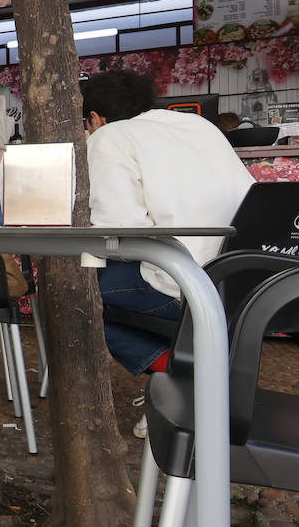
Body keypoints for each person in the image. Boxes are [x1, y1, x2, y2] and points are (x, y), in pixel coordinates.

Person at [81, 69, 254, 375]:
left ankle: (182, 376)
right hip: (247, 279)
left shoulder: (109, 136)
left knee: (76, 301)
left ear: (95, 118)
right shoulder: (199, 125)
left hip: (188, 284)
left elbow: (119, 227)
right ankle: (189, 368)